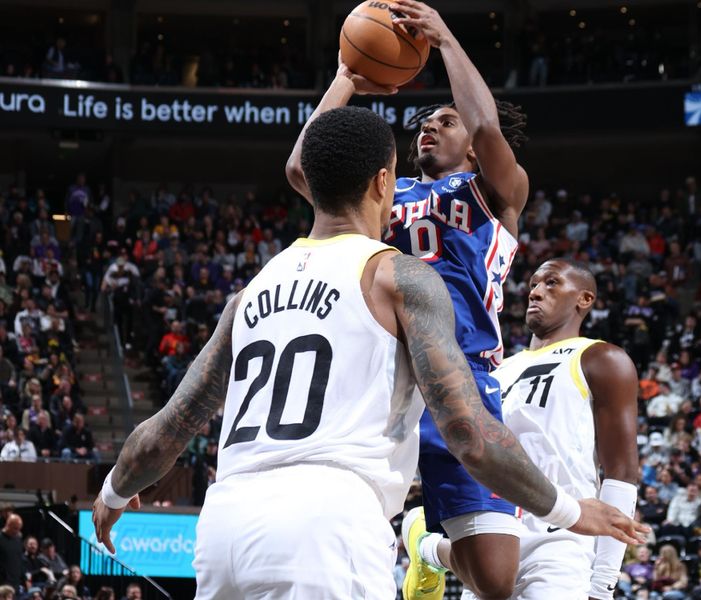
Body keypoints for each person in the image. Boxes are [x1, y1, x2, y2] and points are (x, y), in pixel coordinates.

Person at [93, 107, 646, 600]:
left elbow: (167, 427)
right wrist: (570, 511)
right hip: (329, 521)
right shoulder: (398, 275)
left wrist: (117, 488)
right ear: (385, 182)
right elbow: (467, 432)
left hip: (223, 526)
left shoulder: (249, 292)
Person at [286, 2, 532, 597]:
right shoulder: (380, 196)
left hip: (462, 373)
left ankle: (426, 542)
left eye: (443, 122)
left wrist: (446, 41)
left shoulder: (496, 191)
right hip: (378, 377)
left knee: (497, 583)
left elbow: (489, 129)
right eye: (421, 122)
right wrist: (344, 80)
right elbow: (301, 169)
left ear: (470, 147)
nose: (427, 127)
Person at [453, 259, 639, 599]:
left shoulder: (601, 358)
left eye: (551, 283)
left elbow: (622, 472)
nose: (535, 292)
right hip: (495, 536)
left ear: (584, 299)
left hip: (560, 540)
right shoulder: (496, 372)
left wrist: (602, 585)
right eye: (534, 284)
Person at [0, 513, 23, 593]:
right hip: (2, 584)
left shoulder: (17, 540)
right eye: (15, 528)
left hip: (15, 583)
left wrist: (24, 579)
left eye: (19, 529)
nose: (17, 531)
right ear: (8, 525)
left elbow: (20, 560)